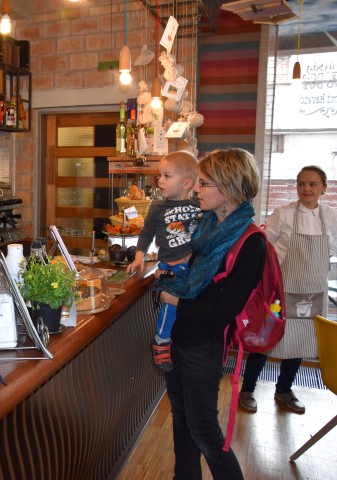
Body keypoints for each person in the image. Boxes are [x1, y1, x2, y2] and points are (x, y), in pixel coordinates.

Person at [158, 148, 265, 479]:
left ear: (229, 189)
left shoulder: (251, 242)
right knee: (182, 420)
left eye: (204, 183)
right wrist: (175, 278)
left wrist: (174, 300)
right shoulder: (207, 227)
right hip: (181, 337)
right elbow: (198, 280)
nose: (195, 189)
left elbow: (221, 312)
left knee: (204, 430)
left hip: (204, 345)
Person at [239, 165, 337, 414]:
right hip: (281, 290)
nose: (306, 189)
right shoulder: (283, 214)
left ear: (324, 188)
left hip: (313, 292)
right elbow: (263, 244)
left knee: (300, 341)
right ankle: (247, 389)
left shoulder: (331, 217)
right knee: (266, 338)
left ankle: (284, 389)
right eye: (301, 184)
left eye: (312, 184)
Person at [127, 151, 201, 372]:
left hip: (193, 266)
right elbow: (146, 233)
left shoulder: (200, 205)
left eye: (167, 176)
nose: (160, 181)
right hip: (170, 265)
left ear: (187, 183)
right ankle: (161, 340)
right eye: (160, 175)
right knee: (170, 303)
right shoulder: (158, 207)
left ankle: (181, 341)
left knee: (190, 306)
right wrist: (139, 255)